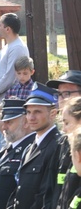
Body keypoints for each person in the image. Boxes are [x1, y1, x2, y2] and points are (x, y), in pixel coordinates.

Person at [8, 84, 60, 209]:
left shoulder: (58, 145)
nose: (31, 117)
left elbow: (48, 195)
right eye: (28, 112)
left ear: (53, 114)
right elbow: (20, 189)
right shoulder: (29, 148)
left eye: (37, 112)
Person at [0, 13, 30, 152]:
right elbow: (0, 74)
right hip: (0, 100)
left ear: (8, 29)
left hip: (9, 102)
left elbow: (10, 76)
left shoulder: (17, 47)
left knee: (5, 143)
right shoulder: (7, 47)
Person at [0, 99, 34, 209]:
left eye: (9, 122)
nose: (4, 127)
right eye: (4, 121)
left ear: (25, 122)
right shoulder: (7, 150)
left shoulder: (31, 150)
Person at [45, 71, 81, 209]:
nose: (62, 100)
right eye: (59, 94)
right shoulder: (62, 142)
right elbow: (51, 189)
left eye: (67, 93)